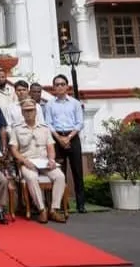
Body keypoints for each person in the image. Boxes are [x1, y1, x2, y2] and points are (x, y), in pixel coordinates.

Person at [10, 99, 67, 223]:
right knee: (31, 177)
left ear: (36, 111)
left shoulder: (44, 128)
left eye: (31, 110)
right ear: (22, 113)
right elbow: (14, 150)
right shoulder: (17, 129)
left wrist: (51, 159)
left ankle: (54, 210)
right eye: (26, 111)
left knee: (60, 176)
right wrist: (24, 161)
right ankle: (42, 209)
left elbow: (50, 147)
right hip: (28, 162)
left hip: (44, 161)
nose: (29, 113)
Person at [45, 74, 86, 213]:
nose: (60, 87)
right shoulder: (50, 104)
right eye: (57, 84)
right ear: (53, 87)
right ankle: (63, 204)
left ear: (67, 86)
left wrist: (68, 137)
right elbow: (48, 123)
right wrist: (59, 138)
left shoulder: (75, 103)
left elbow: (80, 123)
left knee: (77, 172)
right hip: (56, 139)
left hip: (72, 138)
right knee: (60, 173)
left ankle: (81, 204)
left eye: (62, 84)